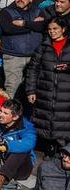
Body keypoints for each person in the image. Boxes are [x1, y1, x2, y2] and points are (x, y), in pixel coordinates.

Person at [23, 16, 70, 152]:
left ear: (63, 29)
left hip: (65, 92)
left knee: (63, 121)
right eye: (49, 29)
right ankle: (50, 149)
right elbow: (32, 69)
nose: (52, 32)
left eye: (55, 28)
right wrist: (30, 91)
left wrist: (67, 68)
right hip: (45, 90)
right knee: (45, 120)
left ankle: (62, 150)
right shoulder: (43, 47)